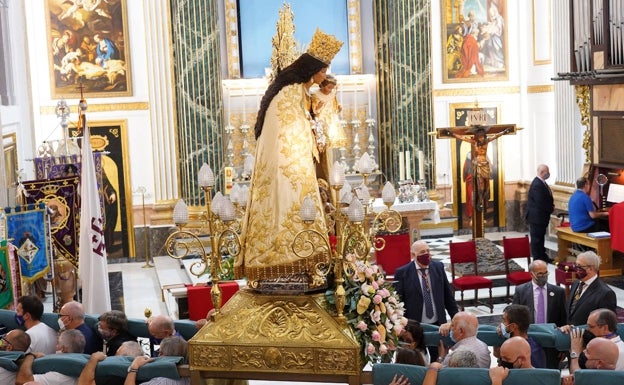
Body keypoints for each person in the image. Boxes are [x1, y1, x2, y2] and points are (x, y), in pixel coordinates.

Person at [235, 29, 343, 293]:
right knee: (289, 207)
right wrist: (313, 138)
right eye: (322, 70)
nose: (323, 76)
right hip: (288, 167)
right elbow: (292, 131)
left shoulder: (300, 91)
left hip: (295, 162)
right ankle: (286, 259)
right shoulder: (291, 92)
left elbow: (307, 123)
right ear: (313, 69)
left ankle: (302, 262)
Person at [394, 240, 458, 362]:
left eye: (428, 251)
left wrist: (455, 319)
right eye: (422, 252)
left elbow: (448, 297)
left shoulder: (438, 267)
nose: (427, 254)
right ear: (413, 255)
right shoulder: (403, 273)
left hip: (437, 324)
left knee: (438, 358)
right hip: (414, 327)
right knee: (416, 360)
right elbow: (398, 303)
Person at [446, 126, 510, 212]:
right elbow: (463, 138)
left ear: (484, 136)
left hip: (485, 165)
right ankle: (479, 202)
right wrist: (452, 134)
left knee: (486, 185)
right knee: (480, 185)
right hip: (478, 165)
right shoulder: (474, 143)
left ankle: (484, 201)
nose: (481, 138)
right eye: (479, 136)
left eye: (482, 136)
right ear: (477, 136)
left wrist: (504, 132)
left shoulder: (487, 141)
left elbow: (495, 136)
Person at [562, 251, 617, 326]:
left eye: (579, 267)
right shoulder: (575, 283)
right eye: (576, 265)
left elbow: (606, 324)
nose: (576, 269)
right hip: (570, 335)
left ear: (590, 269)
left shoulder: (606, 294)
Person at [16, 329, 86, 385]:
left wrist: (30, 356)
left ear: (63, 349)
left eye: (58, 343)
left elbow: (22, 381)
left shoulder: (59, 376)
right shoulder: (85, 368)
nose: (56, 346)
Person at [512, 260, 566, 326]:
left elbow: (564, 317)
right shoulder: (521, 291)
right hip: (529, 332)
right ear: (531, 274)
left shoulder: (558, 292)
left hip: (551, 332)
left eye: (546, 273)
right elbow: (514, 314)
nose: (544, 276)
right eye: (540, 274)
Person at [125, 336, 190, 385]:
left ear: (164, 355)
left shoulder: (162, 382)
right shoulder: (191, 377)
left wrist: (134, 367)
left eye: (160, 352)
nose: (158, 355)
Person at [77, 342, 144, 385]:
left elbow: (83, 383)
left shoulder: (112, 377)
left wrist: (93, 359)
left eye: (116, 353)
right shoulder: (143, 377)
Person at [525, 164, 555, 262]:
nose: (548, 173)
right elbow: (540, 202)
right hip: (536, 217)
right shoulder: (537, 184)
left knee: (540, 237)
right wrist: (550, 208)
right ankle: (537, 257)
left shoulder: (541, 182)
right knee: (536, 239)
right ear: (542, 172)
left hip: (540, 217)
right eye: (547, 171)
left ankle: (542, 255)